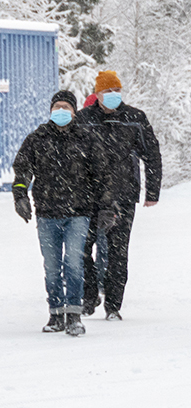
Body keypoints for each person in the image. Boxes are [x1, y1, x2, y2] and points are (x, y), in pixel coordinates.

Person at [12, 90, 113, 336]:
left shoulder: (86, 138)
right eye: (57, 106)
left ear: (74, 111)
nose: (61, 111)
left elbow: (103, 176)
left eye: (66, 107)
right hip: (47, 213)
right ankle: (56, 312)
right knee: (52, 266)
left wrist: (107, 207)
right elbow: (22, 170)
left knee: (74, 264)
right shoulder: (38, 138)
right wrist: (20, 195)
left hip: (79, 212)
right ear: (50, 110)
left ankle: (75, 315)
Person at [76, 70, 162, 321]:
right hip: (88, 196)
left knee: (117, 251)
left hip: (123, 194)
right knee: (81, 248)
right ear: (97, 94)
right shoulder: (82, 119)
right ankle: (90, 293)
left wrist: (152, 190)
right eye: (107, 91)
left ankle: (113, 305)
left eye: (116, 90)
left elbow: (152, 155)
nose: (112, 95)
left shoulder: (135, 118)